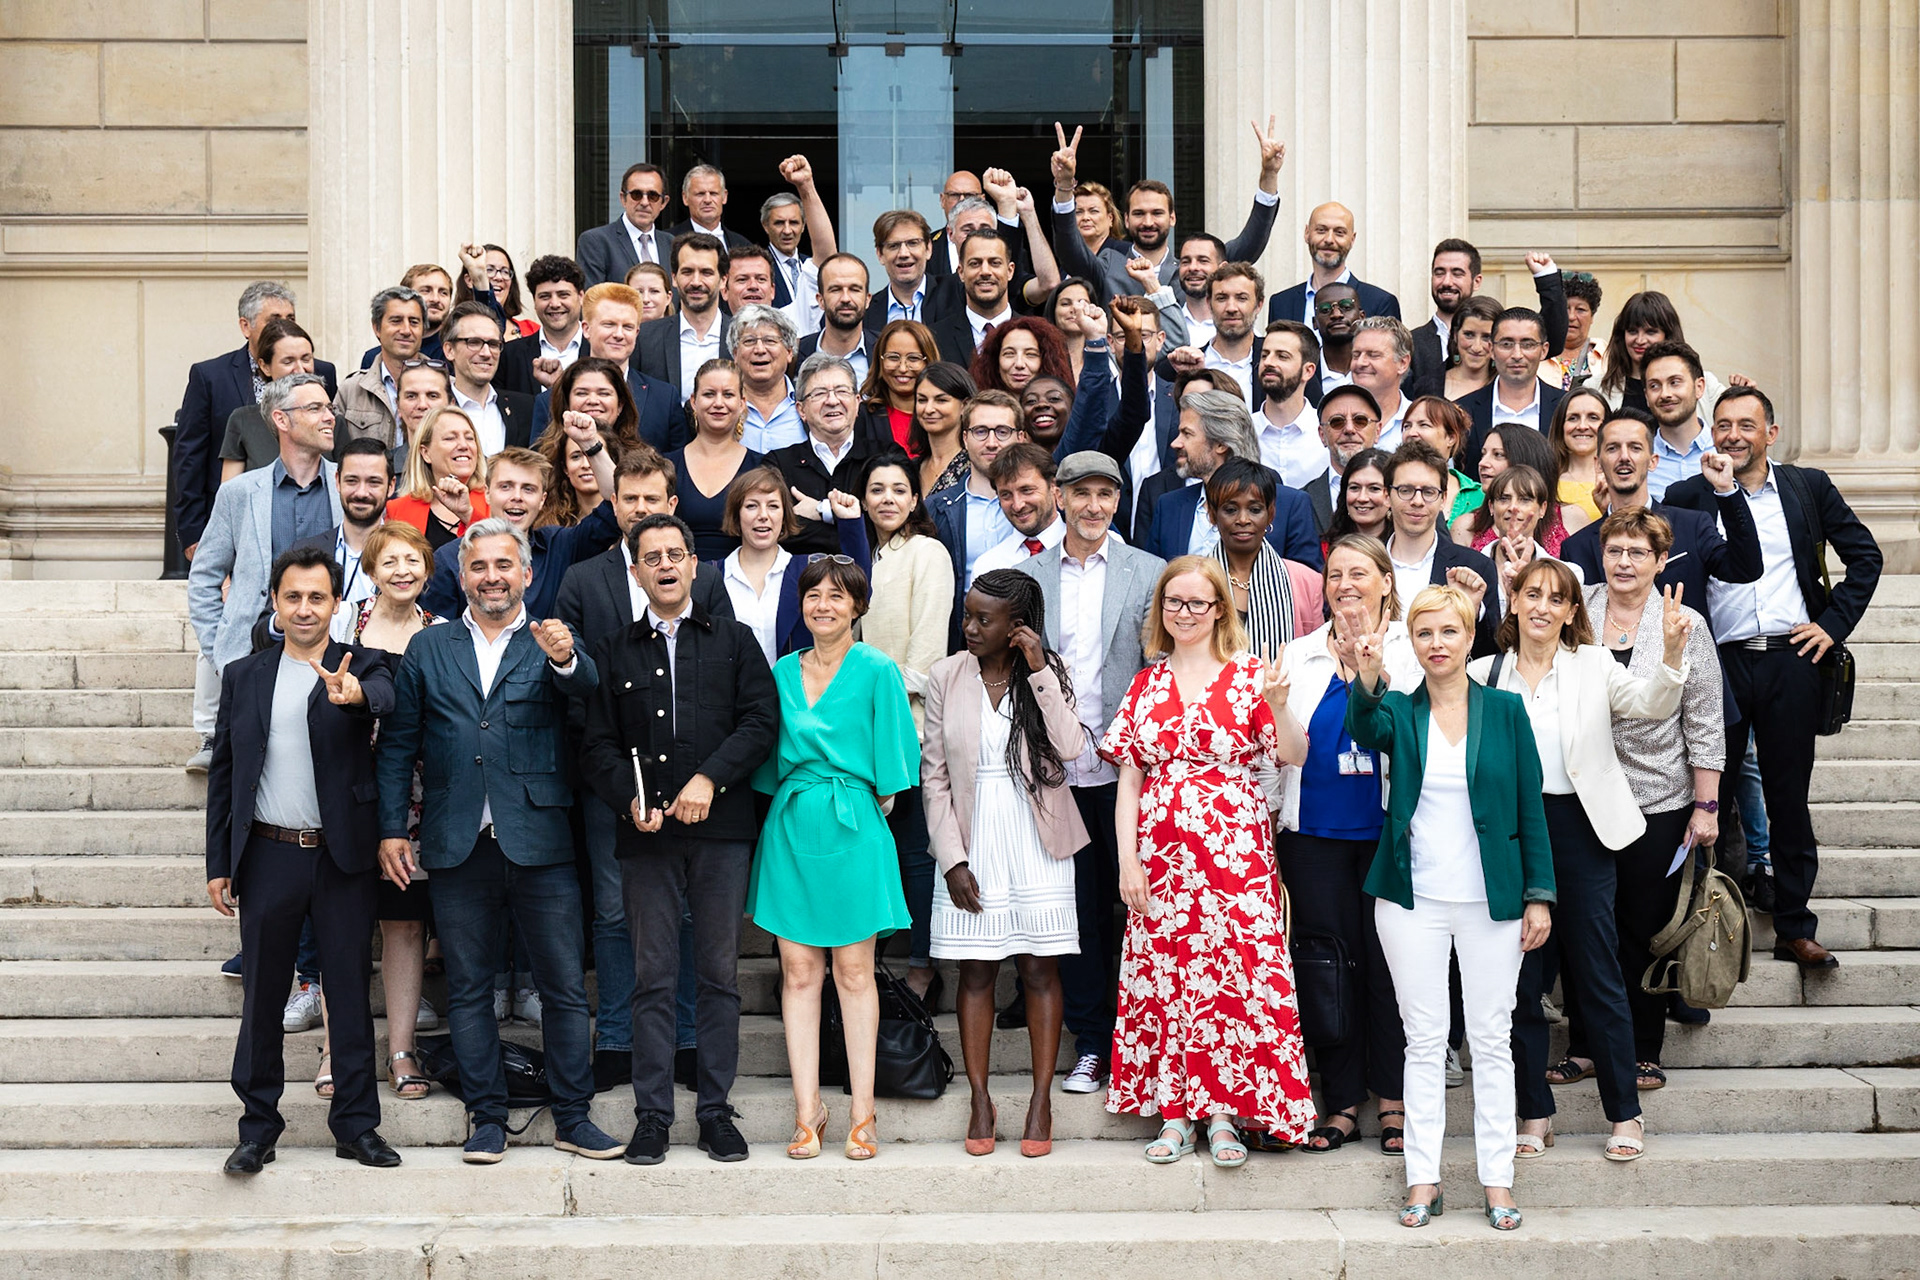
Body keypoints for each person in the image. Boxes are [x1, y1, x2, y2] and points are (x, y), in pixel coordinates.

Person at [374, 518, 625, 1165]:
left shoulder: (549, 640)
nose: (491, 576)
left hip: (540, 842)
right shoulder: (430, 649)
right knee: (466, 989)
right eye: (478, 566)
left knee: (565, 988)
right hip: (457, 843)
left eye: (503, 565)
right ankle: (485, 1118)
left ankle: (573, 1116)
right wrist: (389, 830)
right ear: (462, 576)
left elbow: (586, 690)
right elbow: (399, 747)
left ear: (526, 573)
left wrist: (567, 656)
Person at [1344, 583, 1554, 1230]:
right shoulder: (1401, 712)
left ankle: (1497, 1181)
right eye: (1425, 633)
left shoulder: (1507, 711)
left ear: (1471, 637)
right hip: (1413, 902)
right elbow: (1364, 724)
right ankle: (1423, 1178)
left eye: (1449, 632)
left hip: (1492, 902)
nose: (1437, 644)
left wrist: (1538, 895)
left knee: (1491, 1039)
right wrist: (1369, 671)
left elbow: (1529, 808)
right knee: (1425, 1040)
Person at [1471, 558, 1693, 1165]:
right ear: (1513, 602)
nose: (1542, 606)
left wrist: (1671, 654)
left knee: (1598, 973)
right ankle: (1534, 1112)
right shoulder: (1484, 674)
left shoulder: (1593, 664)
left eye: (1556, 598)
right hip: (1513, 834)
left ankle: (1625, 1113)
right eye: (1531, 594)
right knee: (1519, 981)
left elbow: (1650, 703)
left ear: (1573, 612)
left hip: (1582, 831)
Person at [1101, 555, 1316, 1166]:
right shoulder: (1146, 682)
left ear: (1221, 609)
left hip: (1235, 857)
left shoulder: (1250, 675)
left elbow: (1295, 754)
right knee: (1167, 974)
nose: (1185, 613)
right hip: (1162, 856)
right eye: (1174, 602)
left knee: (1232, 979)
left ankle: (1224, 1113)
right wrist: (1127, 862)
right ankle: (1174, 1113)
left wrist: (1277, 705)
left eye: (1198, 602)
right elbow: (1128, 779)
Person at [578, 511, 778, 1165]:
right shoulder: (614, 650)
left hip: (720, 833)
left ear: (695, 564)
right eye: (652, 556)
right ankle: (653, 1117)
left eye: (676, 554)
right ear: (635, 571)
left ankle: (716, 1112)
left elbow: (759, 723)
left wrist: (708, 782)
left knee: (719, 975)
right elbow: (597, 743)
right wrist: (625, 797)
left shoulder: (735, 641)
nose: (665, 564)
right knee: (651, 977)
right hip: (646, 838)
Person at [1661, 386, 1883, 967]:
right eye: (1723, 424)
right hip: (1720, 663)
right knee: (1710, 796)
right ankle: (1691, 930)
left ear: (1770, 433)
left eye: (1746, 425)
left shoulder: (1807, 487)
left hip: (1792, 660)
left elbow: (1866, 556)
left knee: (1789, 798)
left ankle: (1794, 925)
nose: (1733, 434)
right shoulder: (1688, 495)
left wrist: (1831, 625)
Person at [206, 544, 399, 1175]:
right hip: (268, 855)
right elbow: (224, 776)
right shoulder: (245, 675)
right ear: (275, 602)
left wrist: (354, 696)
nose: (306, 608)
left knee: (347, 992)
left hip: (341, 859)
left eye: (318, 596)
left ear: (336, 603)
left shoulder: (362, 664)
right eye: (293, 596)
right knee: (263, 996)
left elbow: (387, 694)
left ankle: (356, 1127)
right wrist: (219, 861)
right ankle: (258, 1127)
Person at [554, 448, 732, 1087]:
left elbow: (721, 676)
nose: (639, 510)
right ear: (614, 504)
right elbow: (572, 688)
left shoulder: (704, 579)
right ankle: (622, 1041)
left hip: (688, 782)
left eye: (651, 499)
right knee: (611, 911)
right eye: (627, 500)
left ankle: (684, 1040)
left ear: (672, 504)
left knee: (683, 915)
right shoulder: (582, 580)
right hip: (613, 782)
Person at [747, 557, 921, 1161]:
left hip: (853, 828)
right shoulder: (779, 671)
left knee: (853, 971)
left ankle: (863, 1113)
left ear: (858, 606)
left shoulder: (877, 670)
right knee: (797, 971)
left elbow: (894, 778)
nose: (824, 605)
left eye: (837, 596)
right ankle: (807, 1112)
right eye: (813, 595)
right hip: (792, 826)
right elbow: (765, 764)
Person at [1012, 451, 1164, 1096]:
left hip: (1131, 771)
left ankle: (1139, 1040)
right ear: (1058, 498)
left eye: (1107, 493)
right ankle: (1092, 1041)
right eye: (1082, 494)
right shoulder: (1026, 577)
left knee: (1133, 908)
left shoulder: (1149, 572)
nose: (1094, 505)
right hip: (1054, 771)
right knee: (1075, 915)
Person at [923, 569, 1087, 1158]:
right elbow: (934, 775)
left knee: (1041, 970)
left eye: (982, 619)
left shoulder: (1048, 672)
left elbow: (1072, 749)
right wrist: (952, 860)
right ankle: (979, 1098)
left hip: (1036, 836)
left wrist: (1038, 669)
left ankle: (1041, 1100)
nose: (969, 627)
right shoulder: (946, 675)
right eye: (966, 615)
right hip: (972, 839)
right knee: (975, 973)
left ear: (1016, 626)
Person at [1272, 535, 1416, 1153]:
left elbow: (1412, 733)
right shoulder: (1295, 655)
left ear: (1387, 580)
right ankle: (1343, 1099)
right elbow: (1275, 751)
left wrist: (1371, 666)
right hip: (1314, 839)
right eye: (1335, 575)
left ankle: (1395, 1099)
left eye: (1360, 573)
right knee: (1328, 967)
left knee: (1390, 967)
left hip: (1390, 835)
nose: (1345, 585)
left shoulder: (1416, 650)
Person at [1578, 508, 1724, 1086]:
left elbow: (1706, 716)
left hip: (1656, 799)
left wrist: (1706, 804)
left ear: (1661, 562)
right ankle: (1588, 1045)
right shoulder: (1578, 609)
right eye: (1615, 550)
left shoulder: (1683, 620)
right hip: (1584, 794)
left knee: (1644, 925)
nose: (1624, 562)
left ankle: (1643, 1047)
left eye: (1639, 553)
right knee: (1589, 926)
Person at [328, 521, 443, 1101]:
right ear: (371, 571)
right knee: (342, 923)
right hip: (345, 792)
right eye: (389, 560)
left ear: (428, 569)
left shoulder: (442, 631)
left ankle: (402, 1050)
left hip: (416, 801)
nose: (402, 570)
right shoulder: (344, 622)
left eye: (413, 560)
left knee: (404, 921)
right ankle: (334, 1047)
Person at [186, 373, 344, 772]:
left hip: (335, 655)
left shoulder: (348, 486)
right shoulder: (240, 493)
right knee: (243, 776)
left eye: (329, 407)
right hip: (254, 653)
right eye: (315, 408)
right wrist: (220, 649)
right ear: (281, 420)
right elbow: (204, 576)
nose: (329, 417)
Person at [859, 449, 956, 1005]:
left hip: (912, 725)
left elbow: (927, 655)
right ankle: (865, 960)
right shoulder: (859, 553)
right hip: (857, 728)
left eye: (898, 489)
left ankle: (922, 965)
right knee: (873, 850)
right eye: (877, 489)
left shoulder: (927, 552)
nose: (888, 499)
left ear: (915, 499)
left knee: (917, 853)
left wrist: (873, 683)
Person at [175, 282, 339, 561]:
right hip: (247, 527)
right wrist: (193, 532)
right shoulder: (211, 376)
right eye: (274, 320)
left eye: (291, 319)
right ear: (245, 326)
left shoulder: (322, 371)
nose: (284, 326)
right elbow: (190, 456)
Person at [1560, 410, 1762, 626]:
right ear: (1598, 464)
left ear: (1653, 461)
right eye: (1613, 448)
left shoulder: (1691, 526)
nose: (1624, 457)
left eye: (1635, 448)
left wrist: (1727, 491)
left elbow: (1745, 569)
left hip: (1687, 656)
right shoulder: (1576, 548)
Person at [1051, 118, 1286, 303]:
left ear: (1172, 218)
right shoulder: (1107, 265)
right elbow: (1070, 249)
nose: (1148, 222)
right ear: (1126, 219)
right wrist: (1064, 185)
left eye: (1157, 213)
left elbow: (1250, 243)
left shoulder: (1191, 267)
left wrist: (1269, 175)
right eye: (1139, 214)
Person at [417, 418, 620, 622]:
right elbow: (437, 636)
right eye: (505, 486)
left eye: (528, 489)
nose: (517, 496)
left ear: (542, 500)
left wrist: (590, 444)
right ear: (487, 493)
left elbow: (617, 507)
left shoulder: (560, 546)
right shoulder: (448, 559)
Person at [1140, 389, 1320, 567]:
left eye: (1187, 434)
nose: (1175, 443)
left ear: (1220, 444)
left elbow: (1306, 585)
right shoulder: (1168, 506)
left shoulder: (1290, 505)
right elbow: (1152, 582)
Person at [718, 464, 868, 665]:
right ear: (736, 515)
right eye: (752, 506)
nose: (763, 515)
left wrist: (850, 523)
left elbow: (858, 592)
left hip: (798, 692)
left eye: (773, 506)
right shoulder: (712, 574)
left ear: (784, 515)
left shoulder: (808, 570)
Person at [1380, 440, 1498, 655]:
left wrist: (1472, 612)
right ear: (1387, 496)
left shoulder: (1476, 567)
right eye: (1405, 490)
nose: (1417, 501)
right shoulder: (1366, 563)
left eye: (1428, 492)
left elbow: (1491, 654)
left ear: (1443, 499)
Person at [924, 393, 1026, 639]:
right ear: (965, 438)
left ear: (1021, 438)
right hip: (961, 641)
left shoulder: (1040, 505)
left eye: (1003, 431)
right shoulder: (935, 509)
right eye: (981, 431)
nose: (992, 442)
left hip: (1026, 636)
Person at [1206, 457, 1324, 652]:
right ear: (1212, 514)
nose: (1243, 519)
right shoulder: (1191, 580)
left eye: (1254, 510)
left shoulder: (1306, 582)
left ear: (1271, 513)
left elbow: (1315, 660)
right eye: (1230, 510)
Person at [570, 284, 689, 450]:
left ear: (637, 333)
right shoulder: (553, 398)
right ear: (586, 329)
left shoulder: (665, 399)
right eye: (609, 324)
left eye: (627, 327)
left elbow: (678, 463)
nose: (619, 335)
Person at [670, 359, 763, 560]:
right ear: (694, 402)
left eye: (728, 394)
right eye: (709, 394)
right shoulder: (667, 466)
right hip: (679, 579)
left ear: (742, 403)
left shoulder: (761, 467)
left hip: (742, 581)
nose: (718, 403)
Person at [1458, 307, 1569, 476]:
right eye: (1506, 344)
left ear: (1544, 350)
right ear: (1491, 350)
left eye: (1528, 344)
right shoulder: (1462, 410)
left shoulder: (1566, 408)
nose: (1517, 354)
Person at [1598, 290, 1733, 417]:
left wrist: (1745, 392)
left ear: (1667, 335)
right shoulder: (1597, 386)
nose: (1640, 340)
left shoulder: (1706, 384)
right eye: (1632, 331)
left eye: (1650, 332)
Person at [220, 317, 319, 480]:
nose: (300, 370)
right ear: (265, 366)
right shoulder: (243, 421)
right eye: (288, 361)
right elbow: (230, 497)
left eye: (306, 359)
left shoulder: (332, 421)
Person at [333, 286, 426, 459]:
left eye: (414, 322)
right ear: (377, 328)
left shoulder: (445, 386)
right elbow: (336, 453)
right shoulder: (351, 390)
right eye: (396, 321)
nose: (406, 330)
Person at [1271, 201, 1401, 324]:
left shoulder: (1380, 303)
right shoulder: (1281, 303)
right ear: (1307, 233)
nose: (1329, 239)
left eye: (1339, 232)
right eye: (1321, 230)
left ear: (1352, 239)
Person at [635, 233, 731, 391]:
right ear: (674, 278)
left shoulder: (742, 338)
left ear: (723, 280)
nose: (696, 282)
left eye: (706, 273)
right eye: (687, 272)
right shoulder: (644, 339)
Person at [386, 406, 488, 549]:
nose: (464, 445)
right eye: (450, 438)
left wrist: (468, 515)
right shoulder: (398, 510)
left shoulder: (495, 501)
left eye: (470, 438)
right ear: (426, 453)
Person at [443, 302, 537, 457]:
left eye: (493, 344)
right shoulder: (436, 408)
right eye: (474, 342)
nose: (486, 353)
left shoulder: (526, 408)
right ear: (449, 350)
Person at [760, 155, 840, 332]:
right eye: (779, 223)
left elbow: (827, 255)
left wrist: (806, 186)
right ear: (765, 226)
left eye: (794, 223)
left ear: (804, 226)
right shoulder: (757, 267)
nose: (787, 231)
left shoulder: (809, 266)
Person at [1297, 385, 1383, 536]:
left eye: (1360, 420)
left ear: (1378, 431)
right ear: (1322, 435)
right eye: (1337, 422)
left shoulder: (1403, 491)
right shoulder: (1300, 503)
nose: (1349, 429)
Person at [498, 254, 586, 396]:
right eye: (545, 296)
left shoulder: (602, 349)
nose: (555, 304)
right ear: (534, 301)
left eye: (563, 295)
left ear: (581, 297)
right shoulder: (510, 356)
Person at [865, 209, 961, 336]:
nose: (904, 253)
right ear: (880, 254)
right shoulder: (867, 312)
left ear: (928, 249)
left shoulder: (957, 293)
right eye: (893, 246)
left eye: (912, 243)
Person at [578, 161, 675, 286]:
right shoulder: (596, 241)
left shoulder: (671, 244)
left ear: (663, 203)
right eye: (636, 195)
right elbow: (592, 299)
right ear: (623, 198)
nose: (644, 202)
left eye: (653, 196)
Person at [1255, 320, 1325, 487]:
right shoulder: (1240, 432)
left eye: (1282, 356)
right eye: (1265, 355)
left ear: (1308, 371)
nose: (1269, 362)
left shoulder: (1327, 434)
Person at [726, 305, 803, 454]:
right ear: (735, 354)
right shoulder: (723, 406)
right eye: (749, 341)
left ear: (789, 352)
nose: (760, 349)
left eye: (770, 341)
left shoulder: (808, 404)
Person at [859, 320, 940, 453]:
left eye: (913, 358)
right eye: (893, 357)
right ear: (880, 361)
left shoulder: (944, 415)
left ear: (929, 361)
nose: (902, 368)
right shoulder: (862, 417)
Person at [1401, 395, 1482, 522]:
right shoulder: (1386, 483)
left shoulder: (1476, 495)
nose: (1412, 433)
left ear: (1451, 438)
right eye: (1407, 426)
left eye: (1424, 425)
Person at [797, 253, 874, 384]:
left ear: (867, 299)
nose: (845, 298)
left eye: (854, 289)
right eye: (835, 289)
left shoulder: (884, 351)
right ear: (820, 300)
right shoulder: (797, 354)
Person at [537, 355, 639, 452]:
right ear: (567, 402)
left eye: (604, 393)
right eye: (582, 393)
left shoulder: (642, 461)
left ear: (620, 405)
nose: (593, 401)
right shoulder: (542, 460)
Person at [968, 315, 1074, 400]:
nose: (1019, 364)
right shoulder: (980, 414)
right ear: (996, 361)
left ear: (1046, 361)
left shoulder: (1062, 416)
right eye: (1009, 354)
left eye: (1030, 354)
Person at [912, 362, 977, 497]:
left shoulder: (976, 467)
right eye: (922, 400)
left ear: (965, 405)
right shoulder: (911, 468)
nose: (929, 409)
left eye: (941, 400)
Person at [1348, 317, 1414, 449]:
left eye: (1373, 355)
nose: (1361, 363)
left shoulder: (1420, 423)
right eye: (1356, 355)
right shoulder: (1332, 420)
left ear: (1402, 363)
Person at [1548, 385, 1609, 522]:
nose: (1582, 426)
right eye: (1573, 418)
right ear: (1560, 426)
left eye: (1593, 418)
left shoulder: (1619, 480)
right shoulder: (1543, 481)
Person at [534, 420, 607, 528]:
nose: (586, 465)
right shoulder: (547, 526)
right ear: (565, 468)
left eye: (593, 455)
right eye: (576, 456)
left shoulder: (627, 517)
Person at [452, 244, 535, 337]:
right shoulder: (455, 330)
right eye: (489, 270)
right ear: (469, 280)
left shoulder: (532, 330)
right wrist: (480, 280)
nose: (499, 277)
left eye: (505, 272)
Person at [1542, 270, 1606, 390]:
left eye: (1580, 309)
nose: (1571, 316)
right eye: (1565, 308)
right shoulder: (1536, 355)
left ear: (1592, 316)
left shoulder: (1609, 357)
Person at [668, 163, 750, 248]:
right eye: (700, 194)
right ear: (685, 198)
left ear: (724, 196)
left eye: (713, 193)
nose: (707, 200)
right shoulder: (668, 241)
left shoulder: (742, 244)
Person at [1326, 447, 1394, 545]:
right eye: (1354, 488)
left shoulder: (1407, 551)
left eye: (1374, 489)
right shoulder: (1324, 550)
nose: (1362, 498)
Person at [1442, 295, 1502, 403]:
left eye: (1486, 337)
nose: (1476, 347)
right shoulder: (1430, 384)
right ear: (1455, 335)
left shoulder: (1507, 387)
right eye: (1469, 335)